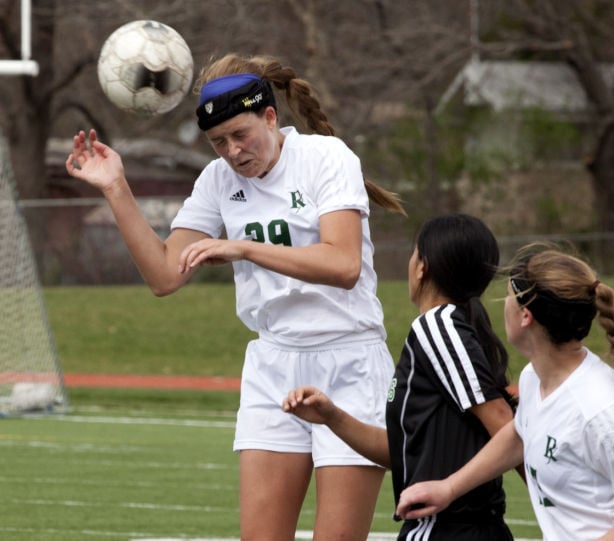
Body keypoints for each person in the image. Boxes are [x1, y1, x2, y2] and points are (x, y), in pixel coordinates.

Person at [65, 53, 406, 541]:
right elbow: (165, 276)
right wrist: (116, 187)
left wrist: (244, 247)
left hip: (348, 364)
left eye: (240, 135)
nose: (231, 151)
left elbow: (344, 265)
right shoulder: (217, 180)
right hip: (273, 366)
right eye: (217, 142)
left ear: (271, 116)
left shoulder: (326, 158)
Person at [283, 213, 519, 540]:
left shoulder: (437, 326)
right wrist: (331, 416)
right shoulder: (452, 328)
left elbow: (506, 427)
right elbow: (405, 454)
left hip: (446, 528)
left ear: (422, 267)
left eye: (413, 253)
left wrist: (553, 502)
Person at [395, 243, 614, 541]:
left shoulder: (600, 411)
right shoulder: (534, 378)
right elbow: (520, 434)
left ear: (525, 316)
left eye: (509, 297)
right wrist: (449, 487)